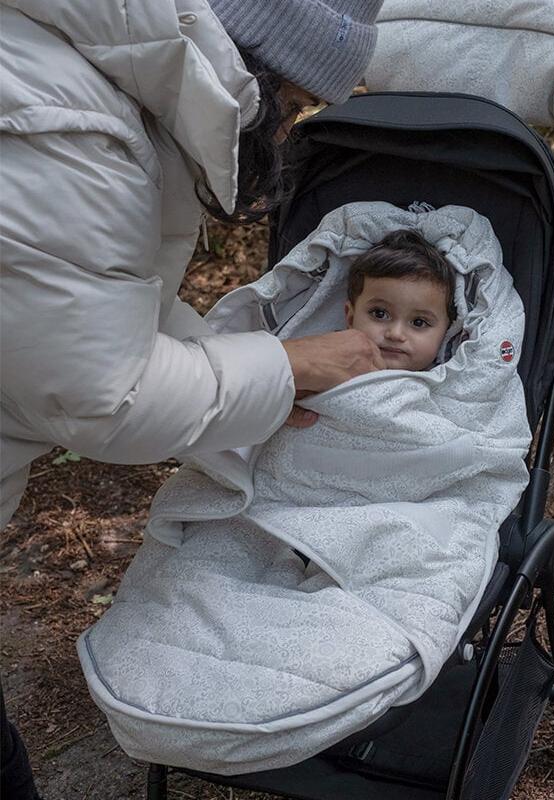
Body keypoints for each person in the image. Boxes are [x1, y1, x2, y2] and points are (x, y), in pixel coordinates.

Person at [0, 0, 385, 795]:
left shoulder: (71, 74)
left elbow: (92, 308)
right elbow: (100, 393)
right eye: (301, 100)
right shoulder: (72, 128)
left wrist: (259, 373)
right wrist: (282, 367)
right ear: (263, 63)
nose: (291, 125)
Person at [345, 230, 457, 372]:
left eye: (419, 322)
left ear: (447, 332)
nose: (395, 334)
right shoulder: (324, 369)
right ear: (350, 317)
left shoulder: (451, 385)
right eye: (379, 314)